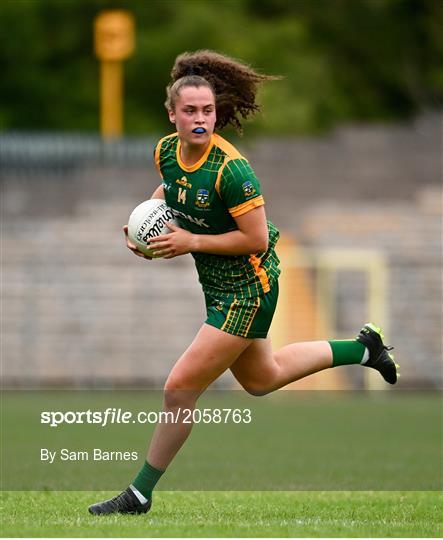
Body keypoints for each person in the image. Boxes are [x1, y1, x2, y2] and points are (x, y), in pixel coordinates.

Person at [89, 50, 398, 516]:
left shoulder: (232, 171)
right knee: (261, 378)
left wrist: (190, 240)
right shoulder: (165, 152)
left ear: (217, 114)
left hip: (248, 288)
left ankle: (138, 494)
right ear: (171, 114)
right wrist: (143, 230)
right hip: (217, 284)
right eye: (190, 111)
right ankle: (363, 348)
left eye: (207, 111)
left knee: (179, 389)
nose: (200, 119)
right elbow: (168, 193)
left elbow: (254, 239)